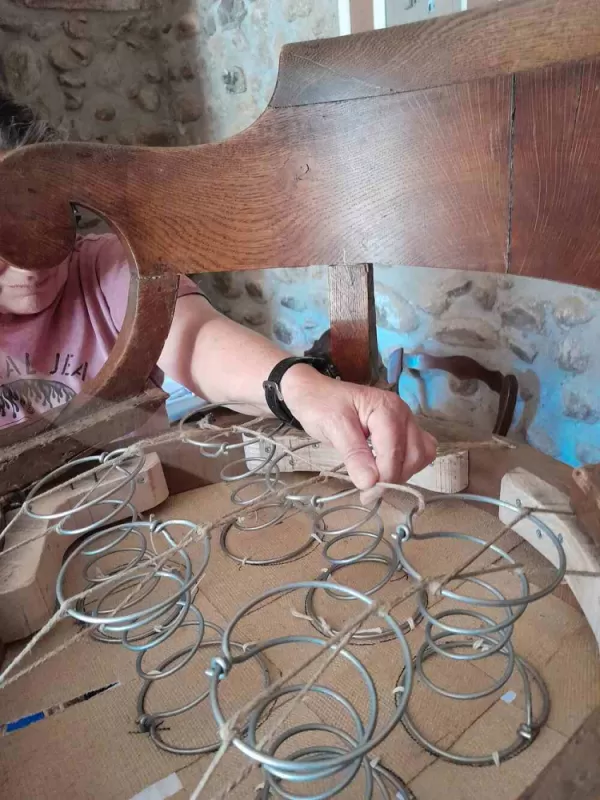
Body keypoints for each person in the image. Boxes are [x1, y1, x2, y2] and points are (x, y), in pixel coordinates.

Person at [0, 91, 437, 492]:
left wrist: (299, 388)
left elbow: (197, 342)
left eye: (41, 225)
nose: (28, 265)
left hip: (142, 523)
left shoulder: (108, 266)